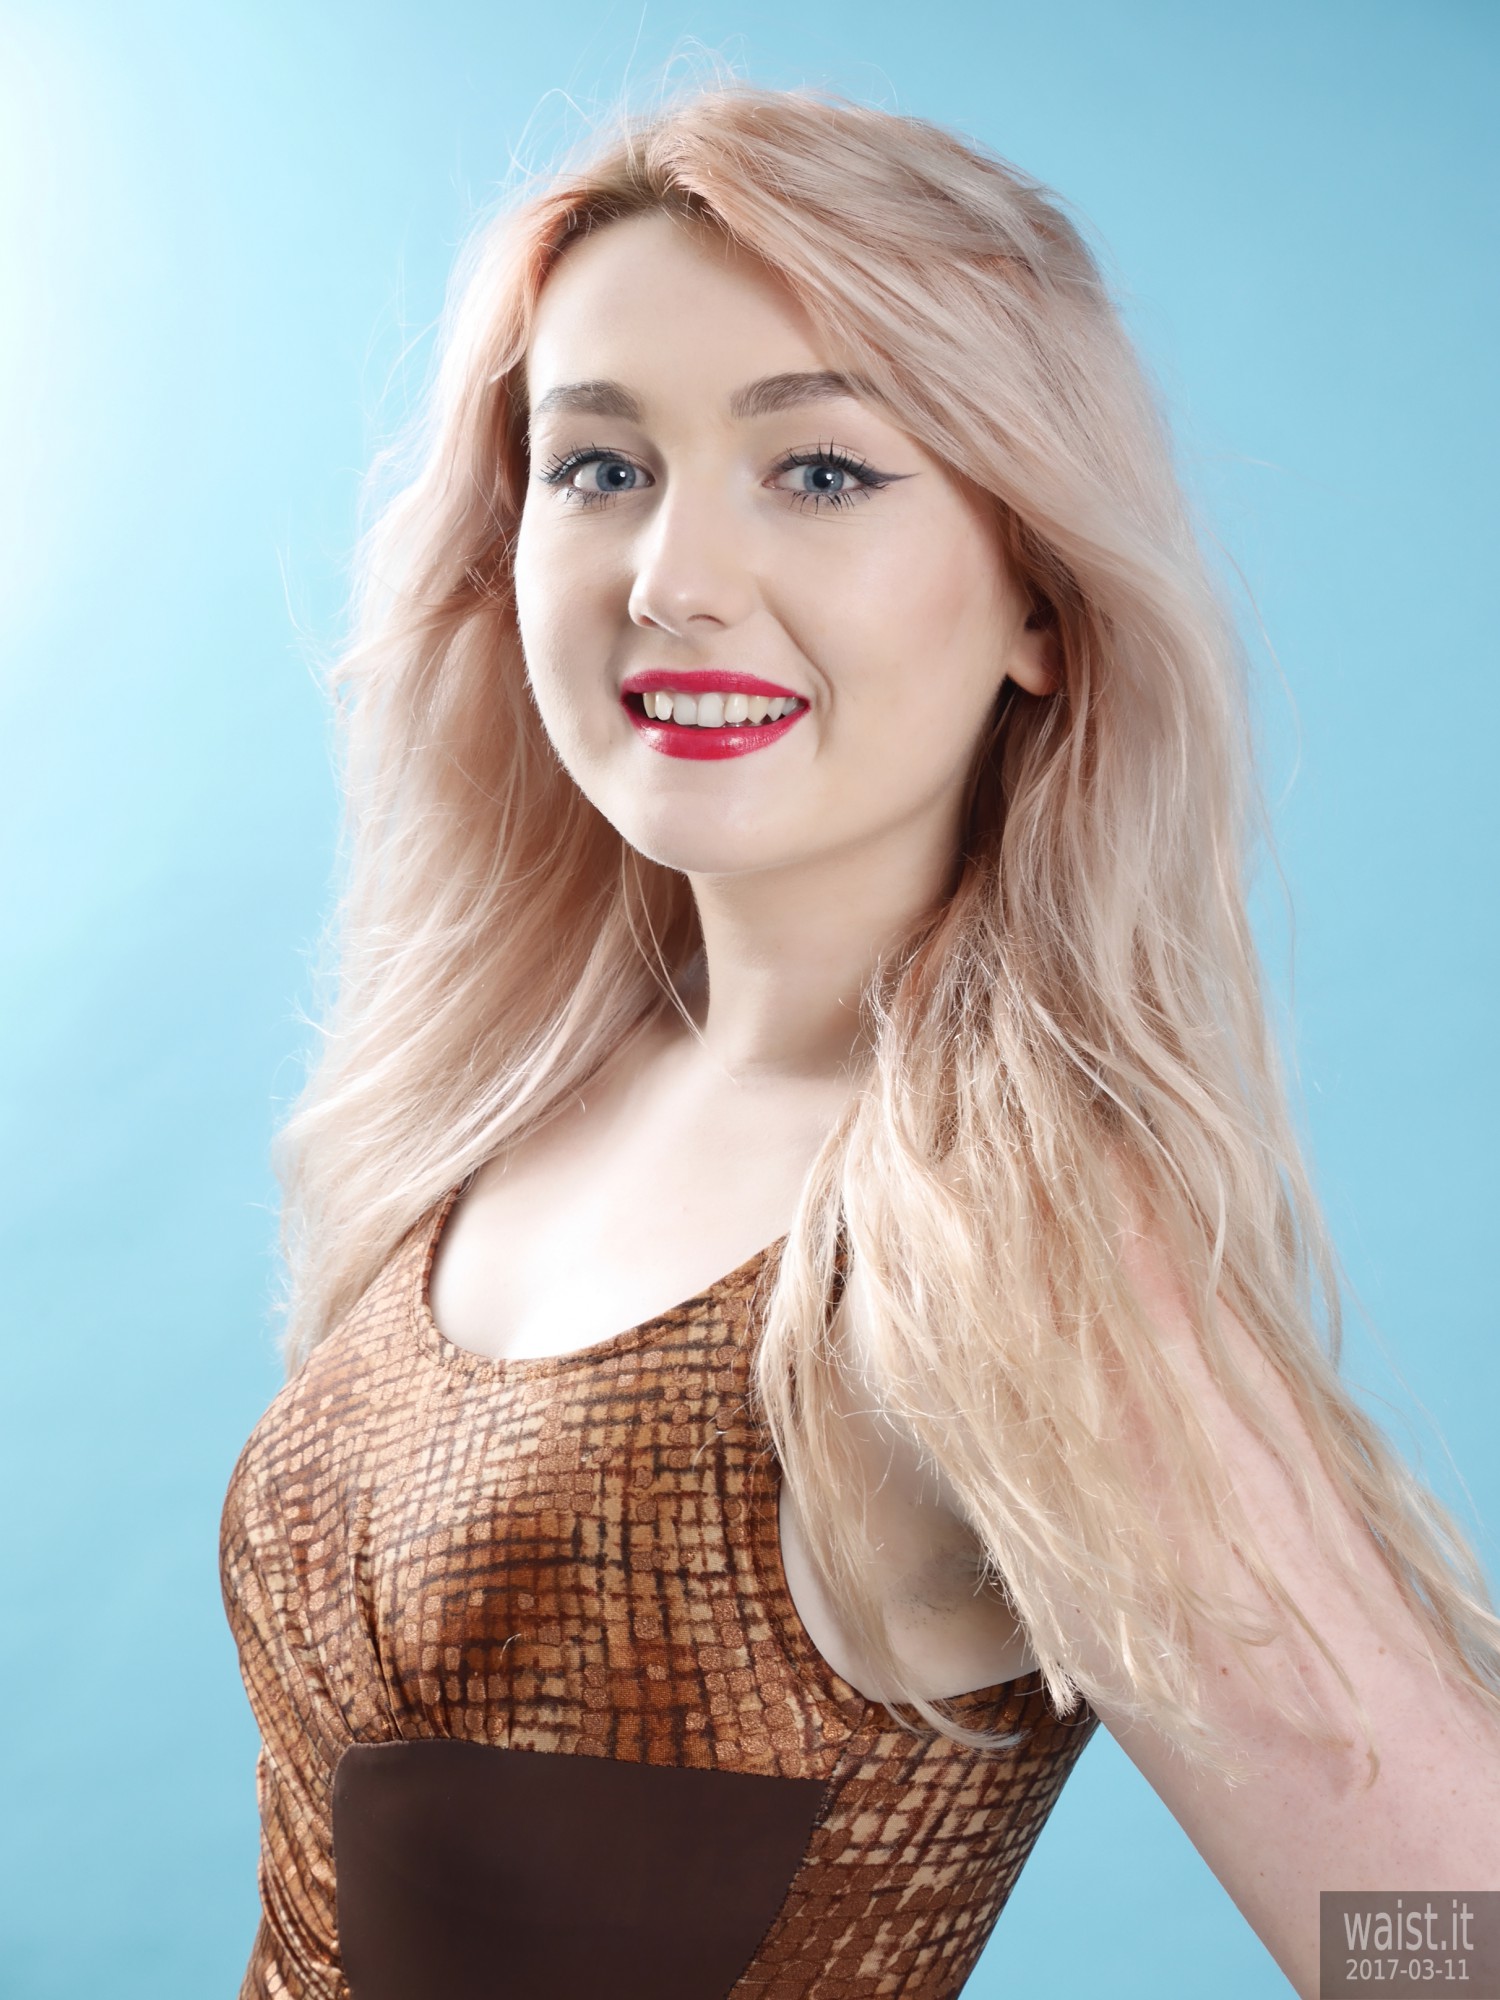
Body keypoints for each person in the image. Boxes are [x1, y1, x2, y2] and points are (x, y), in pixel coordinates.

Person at [220, 84, 1500, 2000]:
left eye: (818, 471)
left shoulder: (998, 1248)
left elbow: (1455, 1934)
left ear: (1040, 598)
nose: (674, 578)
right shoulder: (511, 1102)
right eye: (599, 465)